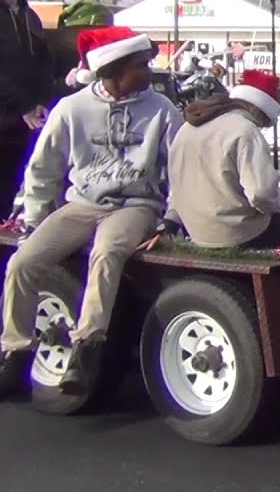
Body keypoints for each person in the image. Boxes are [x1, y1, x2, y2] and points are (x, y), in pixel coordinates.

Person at [0, 27, 181, 396]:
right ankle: (15, 352)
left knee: (107, 252)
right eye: (140, 66)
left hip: (136, 204)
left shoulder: (161, 109)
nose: (149, 71)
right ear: (113, 71)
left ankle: (87, 349)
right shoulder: (72, 108)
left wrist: (171, 218)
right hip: (82, 203)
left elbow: (180, 169)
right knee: (24, 262)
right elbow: (44, 167)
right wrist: (34, 219)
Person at [168, 70, 280, 275]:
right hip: (234, 232)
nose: (263, 126)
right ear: (260, 109)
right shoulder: (245, 130)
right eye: (265, 122)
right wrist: (277, 205)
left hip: (195, 228)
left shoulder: (188, 127)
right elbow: (261, 194)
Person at [0, 0, 54, 218]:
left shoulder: (30, 16)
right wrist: (22, 104)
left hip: (28, 121)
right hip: (6, 114)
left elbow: (45, 62)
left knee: (14, 184)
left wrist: (40, 102)